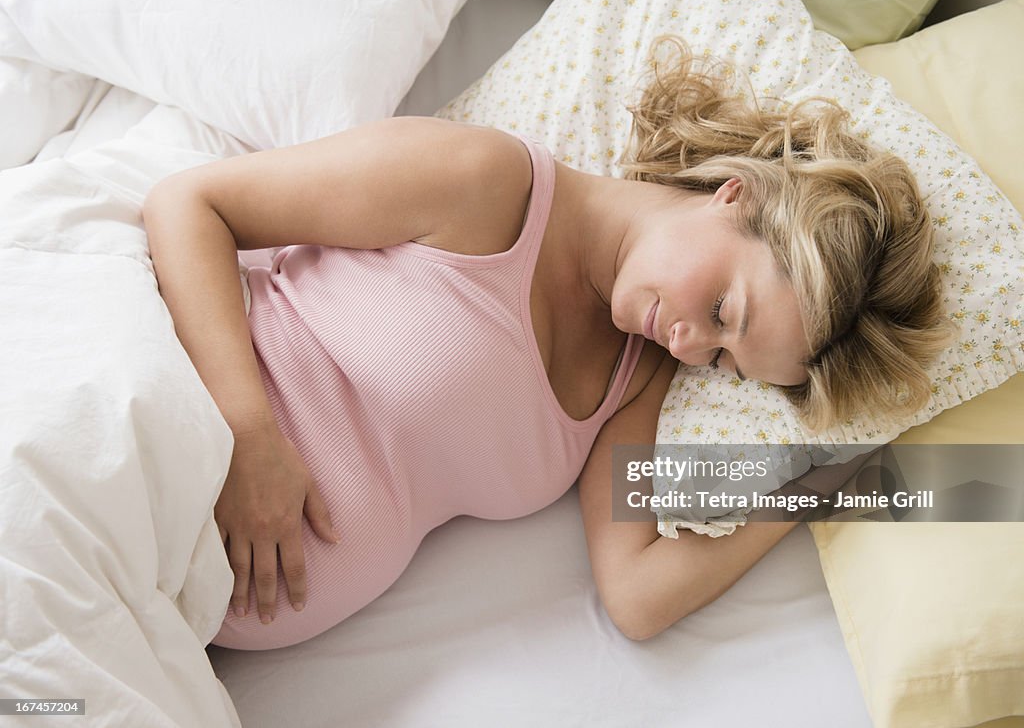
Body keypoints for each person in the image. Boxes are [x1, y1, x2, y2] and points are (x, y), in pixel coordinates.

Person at [144, 36, 954, 650]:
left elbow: (634, 597)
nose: (687, 340)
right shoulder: (485, 184)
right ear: (730, 194)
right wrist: (249, 436)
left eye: (722, 358)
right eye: (720, 307)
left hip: (174, 615)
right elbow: (190, 204)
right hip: (163, 439)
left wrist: (822, 487)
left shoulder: (635, 381)